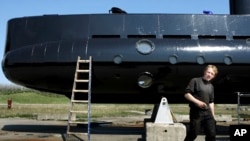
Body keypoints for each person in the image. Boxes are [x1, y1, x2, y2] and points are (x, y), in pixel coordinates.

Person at [184, 65, 218, 141]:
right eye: (208, 72)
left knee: (212, 135)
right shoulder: (195, 81)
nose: (209, 75)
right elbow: (187, 94)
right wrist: (198, 102)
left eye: (212, 74)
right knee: (193, 134)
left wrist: (213, 116)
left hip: (208, 113)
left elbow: (211, 102)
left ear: (214, 76)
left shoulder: (211, 86)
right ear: (205, 71)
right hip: (196, 113)